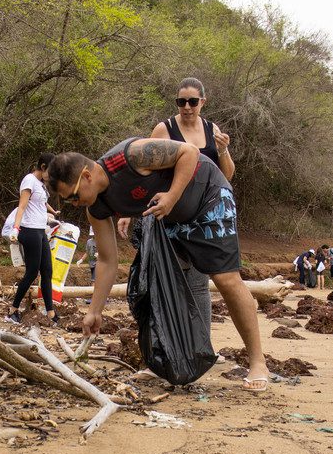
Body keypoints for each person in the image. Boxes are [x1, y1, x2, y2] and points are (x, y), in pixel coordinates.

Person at [48, 138, 272, 391]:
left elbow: (189, 152)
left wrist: (172, 196)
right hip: (168, 218)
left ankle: (257, 362)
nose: (75, 204)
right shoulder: (96, 208)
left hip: (208, 197)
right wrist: (95, 311)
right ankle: (165, 360)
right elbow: (107, 260)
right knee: (156, 284)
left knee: (225, 279)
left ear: (87, 175)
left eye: (74, 196)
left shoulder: (129, 157)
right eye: (68, 201)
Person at [118, 77, 235, 323]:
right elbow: (144, 171)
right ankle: (169, 339)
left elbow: (226, 175)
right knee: (166, 279)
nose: (187, 107)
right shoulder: (164, 129)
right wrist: (129, 209)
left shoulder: (212, 130)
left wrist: (222, 150)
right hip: (170, 213)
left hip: (204, 213)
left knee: (200, 283)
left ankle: (200, 345)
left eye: (193, 101)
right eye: (181, 102)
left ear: (203, 101)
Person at [6, 153, 59, 325]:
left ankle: (50, 313)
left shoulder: (40, 184)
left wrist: (53, 213)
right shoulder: (29, 180)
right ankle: (12, 310)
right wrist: (15, 228)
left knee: (47, 271)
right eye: (50, 171)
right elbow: (22, 206)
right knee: (32, 272)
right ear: (43, 167)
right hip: (29, 230)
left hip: (40, 230)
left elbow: (41, 203)